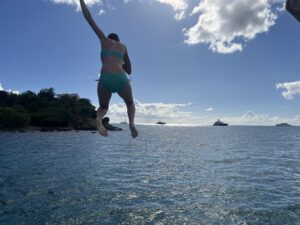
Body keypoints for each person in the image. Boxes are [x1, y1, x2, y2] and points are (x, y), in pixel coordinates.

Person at [79, 0, 138, 138]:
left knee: (104, 107)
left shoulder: (104, 40)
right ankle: (132, 124)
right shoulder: (123, 46)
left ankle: (99, 120)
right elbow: (129, 71)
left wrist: (81, 1)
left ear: (109, 38)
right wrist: (120, 62)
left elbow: (89, 18)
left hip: (105, 78)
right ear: (118, 40)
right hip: (121, 78)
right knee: (129, 102)